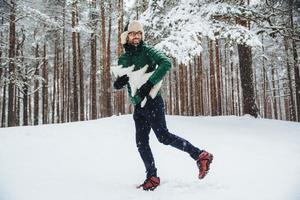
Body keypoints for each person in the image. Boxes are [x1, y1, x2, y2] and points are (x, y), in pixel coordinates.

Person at [113, 20, 213, 191]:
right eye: (132, 33)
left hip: (153, 102)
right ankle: (152, 177)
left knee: (163, 137)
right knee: (141, 143)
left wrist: (150, 83)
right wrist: (118, 84)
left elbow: (166, 62)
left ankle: (200, 155)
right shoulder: (123, 58)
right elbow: (121, 79)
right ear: (126, 36)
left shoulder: (147, 50)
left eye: (139, 33)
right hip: (138, 106)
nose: (136, 36)